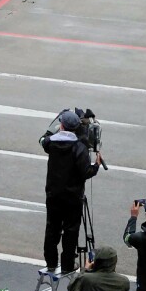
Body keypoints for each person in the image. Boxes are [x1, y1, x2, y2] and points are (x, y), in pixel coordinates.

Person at [41, 109, 101, 273]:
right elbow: (86, 172)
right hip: (73, 197)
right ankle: (67, 264)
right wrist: (96, 165)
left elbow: (43, 139)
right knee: (71, 230)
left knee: (52, 229)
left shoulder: (50, 143)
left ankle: (51, 263)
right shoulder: (79, 148)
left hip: (53, 194)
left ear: (61, 125)